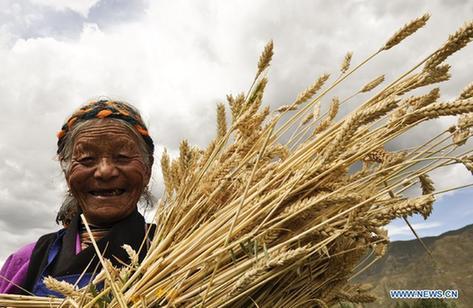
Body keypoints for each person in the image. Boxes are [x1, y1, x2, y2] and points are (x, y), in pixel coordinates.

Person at [0, 100, 155, 296]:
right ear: (66, 172)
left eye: (122, 157)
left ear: (147, 169)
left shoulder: (178, 251)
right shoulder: (28, 260)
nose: (105, 171)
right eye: (87, 159)